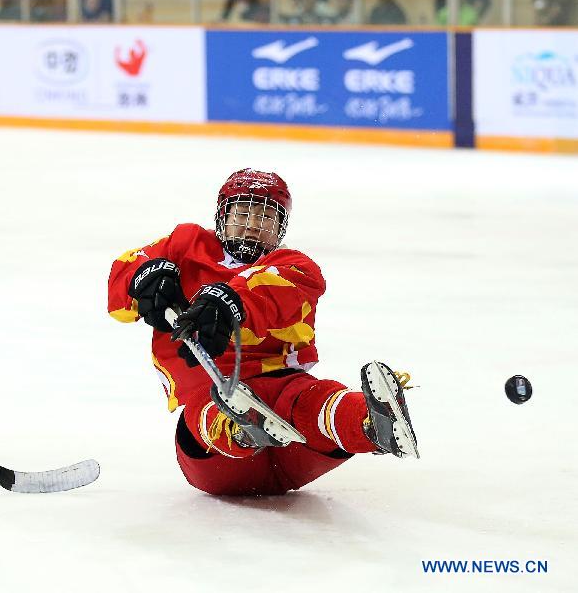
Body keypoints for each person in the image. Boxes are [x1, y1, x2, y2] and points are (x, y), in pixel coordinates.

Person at [108, 169, 419, 496]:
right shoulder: (185, 245)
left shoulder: (297, 267)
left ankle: (370, 423)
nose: (254, 223)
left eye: (266, 216)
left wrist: (229, 302)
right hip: (217, 464)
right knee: (208, 405)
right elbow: (123, 284)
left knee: (307, 397)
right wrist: (140, 278)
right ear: (223, 215)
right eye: (243, 212)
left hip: (296, 441)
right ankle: (241, 429)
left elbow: (270, 293)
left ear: (281, 227)